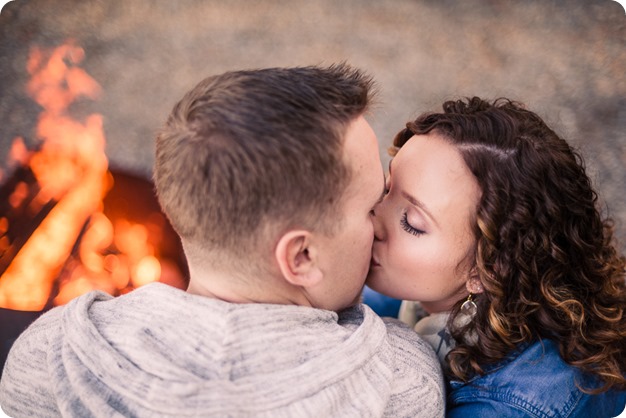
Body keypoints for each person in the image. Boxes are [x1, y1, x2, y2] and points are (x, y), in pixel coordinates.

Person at [0, 64, 445, 417]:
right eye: (371, 208)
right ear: (302, 255)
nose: (384, 221)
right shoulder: (400, 382)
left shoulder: (45, 356)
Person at [367, 96, 626, 417]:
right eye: (387, 185)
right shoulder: (436, 289)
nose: (372, 215)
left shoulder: (505, 407)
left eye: (412, 223)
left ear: (486, 271)